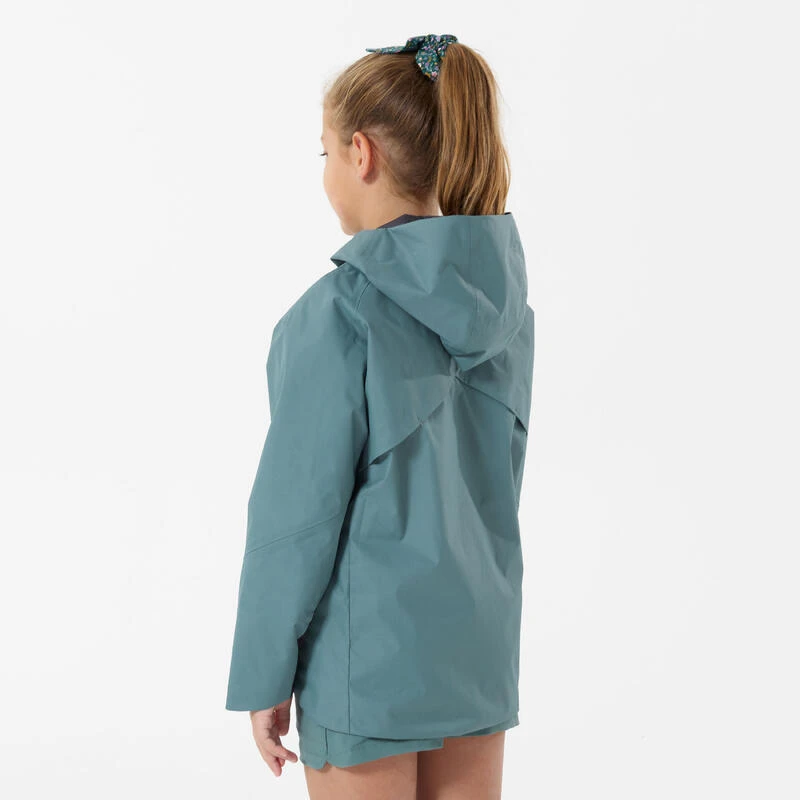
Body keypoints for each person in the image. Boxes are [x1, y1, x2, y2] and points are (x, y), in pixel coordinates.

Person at [224, 33, 535, 799]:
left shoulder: (335, 315)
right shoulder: (507, 315)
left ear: (360, 154)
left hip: (366, 665)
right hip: (477, 652)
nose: (326, 171)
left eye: (324, 151)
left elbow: (295, 519)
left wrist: (265, 673)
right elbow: (498, 487)